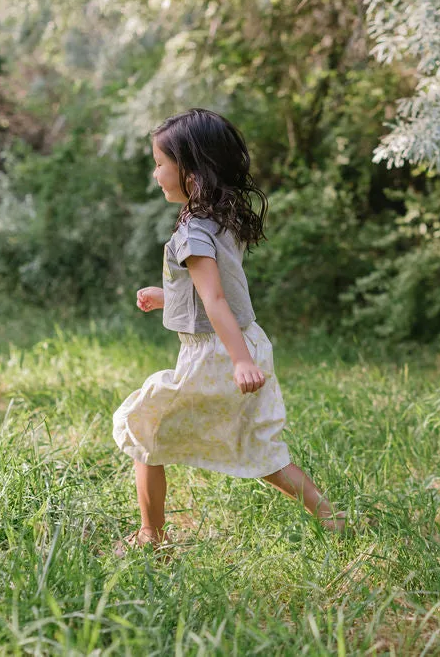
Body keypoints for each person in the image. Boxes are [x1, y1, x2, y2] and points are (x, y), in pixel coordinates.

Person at [112, 109, 345, 553]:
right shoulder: (222, 220)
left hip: (221, 354)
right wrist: (167, 297)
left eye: (160, 163)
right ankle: (331, 517)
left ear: (193, 176)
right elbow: (218, 292)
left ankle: (150, 535)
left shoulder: (192, 233)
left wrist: (238, 360)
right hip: (248, 341)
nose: (154, 171)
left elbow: (216, 300)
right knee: (261, 449)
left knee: (144, 428)